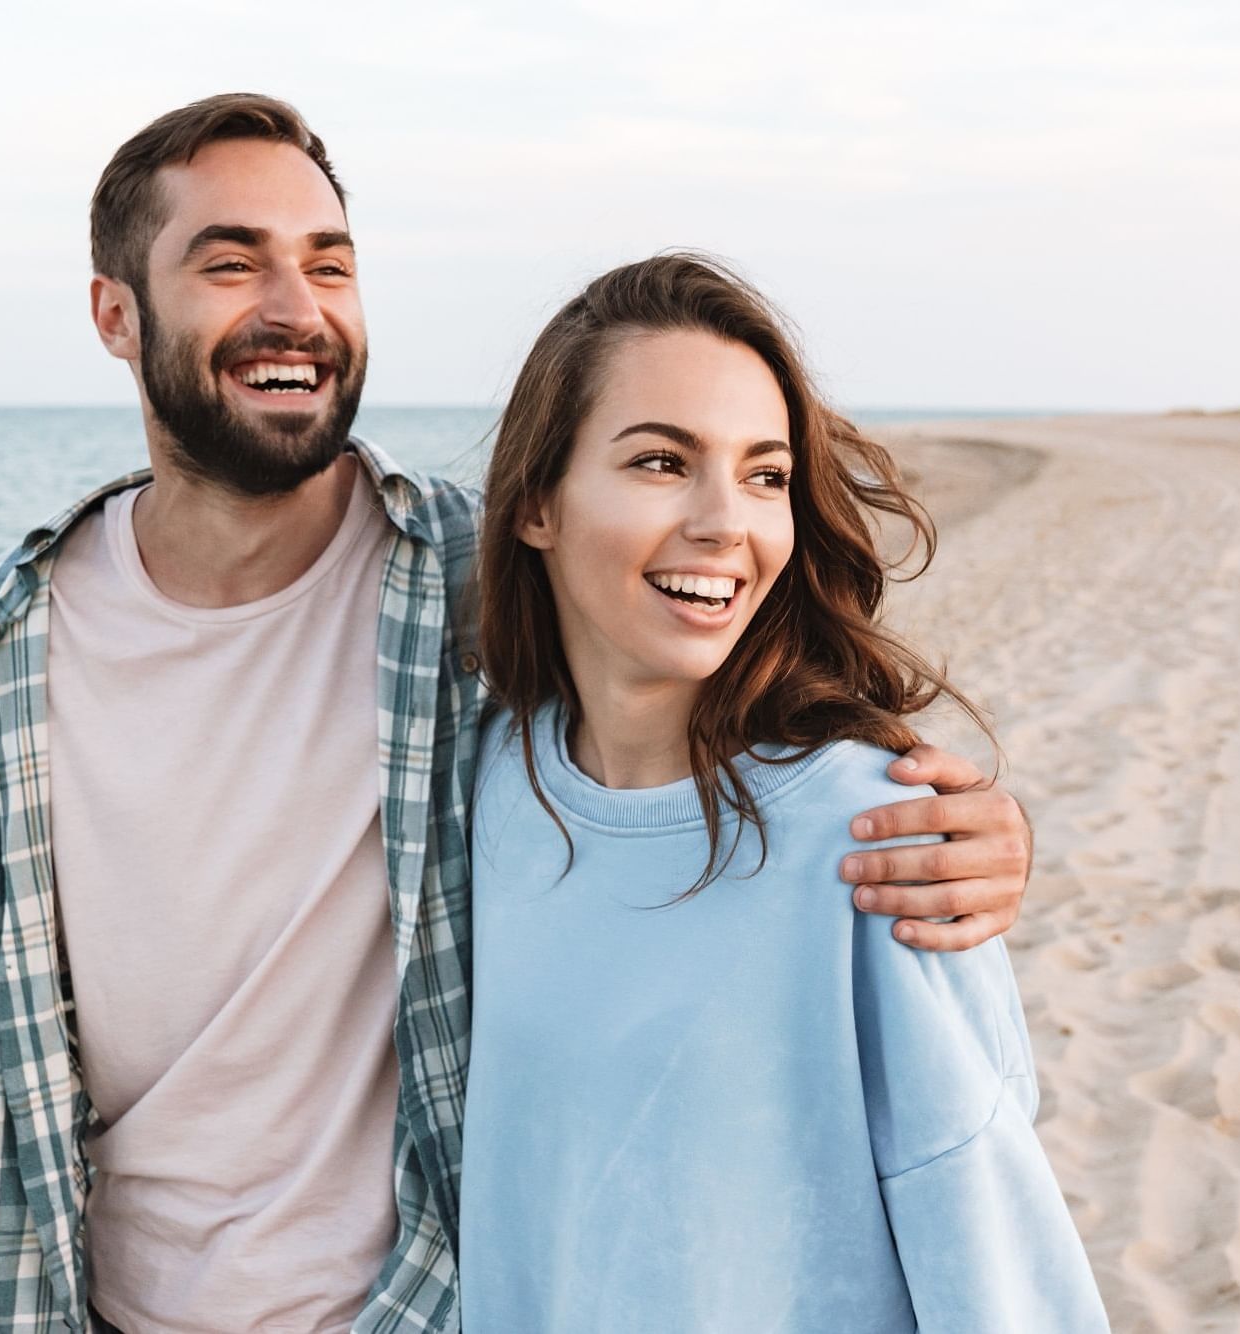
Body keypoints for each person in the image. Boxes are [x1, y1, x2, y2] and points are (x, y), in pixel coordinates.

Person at [0, 95, 1037, 1334]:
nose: (294, 307)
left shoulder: (481, 581)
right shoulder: (2, 650)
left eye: (330, 263)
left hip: (418, 1307)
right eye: (230, 261)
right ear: (114, 313)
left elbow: (712, 686)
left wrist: (975, 828)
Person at [459, 253, 1106, 1331]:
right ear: (536, 504)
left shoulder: (877, 836)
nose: (729, 523)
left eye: (765, 475)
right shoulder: (490, 785)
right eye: (663, 462)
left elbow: (994, 1251)